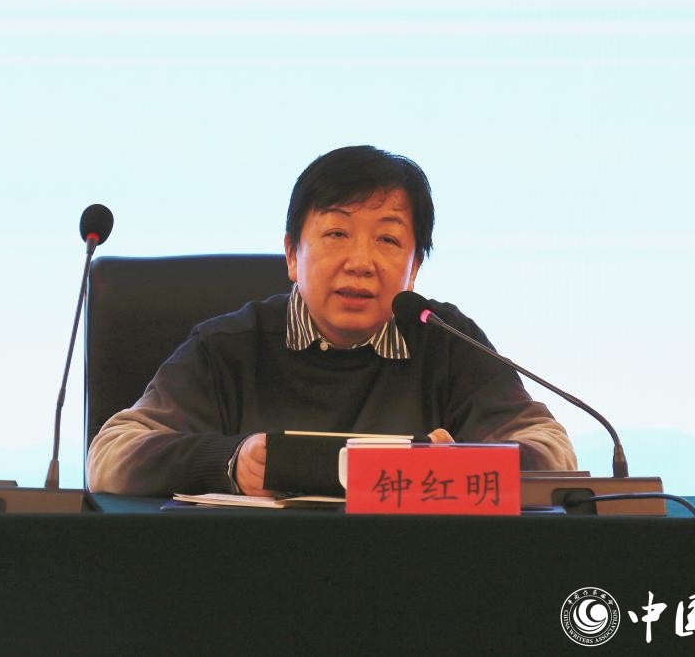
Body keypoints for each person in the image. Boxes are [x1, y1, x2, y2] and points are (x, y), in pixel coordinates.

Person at [87, 145, 577, 496]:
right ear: (292, 255)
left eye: (388, 240)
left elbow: (553, 454)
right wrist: (231, 462)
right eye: (337, 233)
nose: (360, 262)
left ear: (414, 268)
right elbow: (110, 455)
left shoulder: (446, 340)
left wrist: (457, 469)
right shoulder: (230, 346)